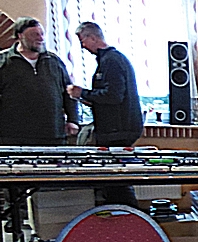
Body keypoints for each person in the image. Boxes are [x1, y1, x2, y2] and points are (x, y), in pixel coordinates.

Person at [67, 21, 143, 209]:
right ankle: (121, 214)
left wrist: (83, 93)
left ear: (93, 37)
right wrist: (87, 99)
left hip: (118, 131)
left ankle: (128, 216)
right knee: (114, 182)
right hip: (115, 129)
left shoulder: (112, 61)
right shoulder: (108, 60)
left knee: (117, 182)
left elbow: (114, 96)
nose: (82, 46)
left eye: (83, 40)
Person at [0, 17, 78, 145]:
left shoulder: (54, 61)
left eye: (42, 34)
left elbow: (68, 92)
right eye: (34, 35)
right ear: (20, 36)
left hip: (53, 134)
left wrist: (73, 120)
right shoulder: (4, 61)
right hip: (14, 136)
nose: (40, 38)